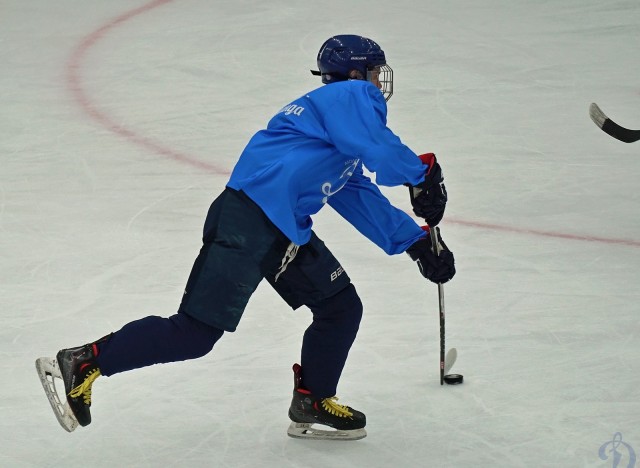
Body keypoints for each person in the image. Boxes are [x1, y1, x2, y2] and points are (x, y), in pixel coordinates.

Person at [35, 34, 455, 440]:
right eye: (376, 72)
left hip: (280, 228)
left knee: (340, 307)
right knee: (194, 334)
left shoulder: (336, 134)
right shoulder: (347, 98)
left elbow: (357, 194)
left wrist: (413, 242)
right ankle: (86, 361)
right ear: (356, 73)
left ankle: (313, 399)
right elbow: (381, 149)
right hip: (248, 221)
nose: (380, 83)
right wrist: (422, 174)